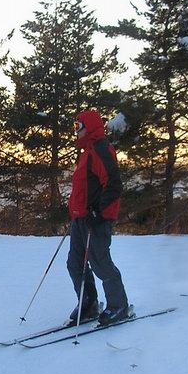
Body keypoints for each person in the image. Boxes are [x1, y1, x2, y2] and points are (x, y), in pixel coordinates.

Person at [62, 111, 133, 326]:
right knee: (75, 263)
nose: (76, 131)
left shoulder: (101, 149)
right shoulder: (86, 152)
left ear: (90, 126)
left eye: (78, 126)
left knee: (100, 262)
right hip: (80, 219)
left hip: (97, 219)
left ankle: (118, 305)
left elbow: (113, 184)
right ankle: (89, 303)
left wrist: (98, 212)